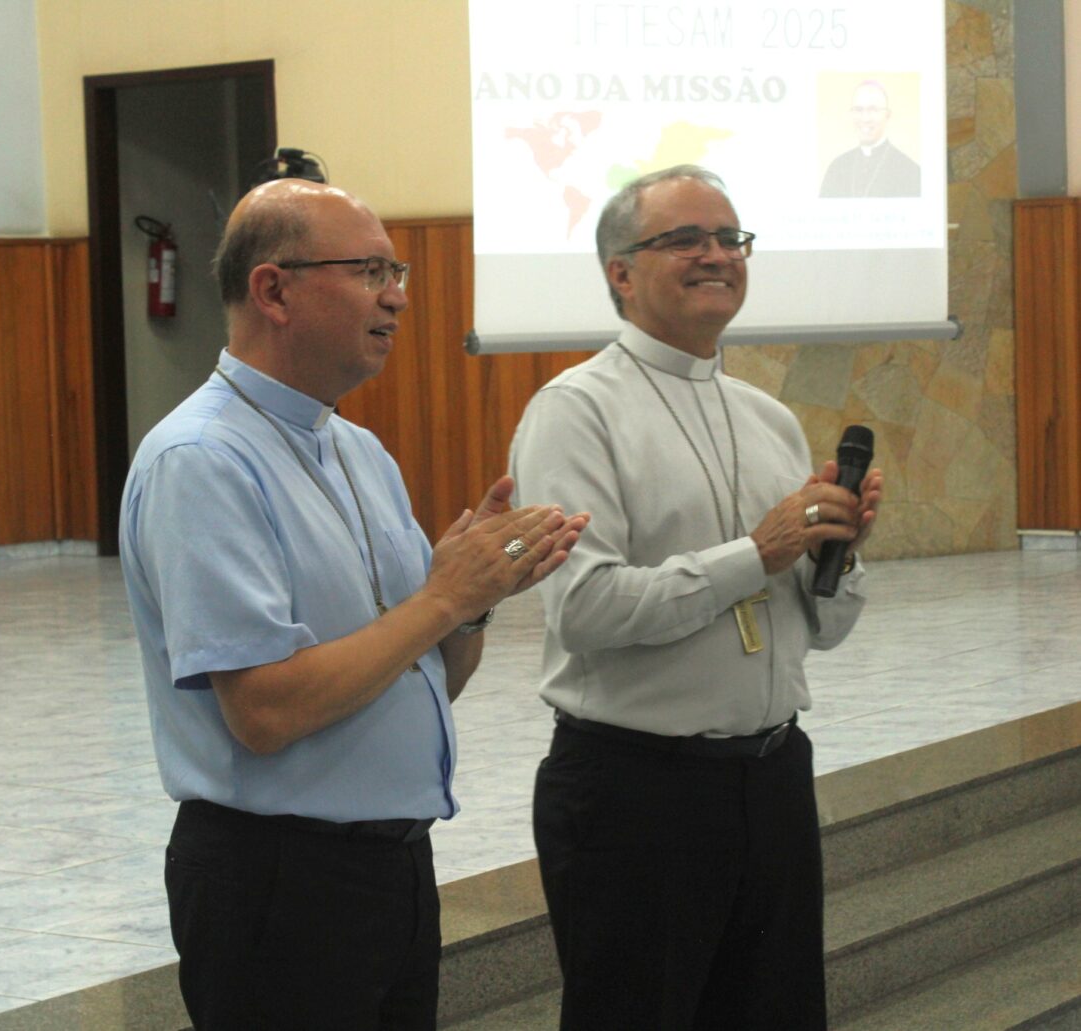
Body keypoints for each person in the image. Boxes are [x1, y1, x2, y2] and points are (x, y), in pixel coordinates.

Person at [119, 178, 587, 1030]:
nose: (397, 296)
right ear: (274, 290)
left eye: (396, 271)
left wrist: (474, 601)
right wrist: (442, 596)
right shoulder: (202, 458)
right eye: (370, 270)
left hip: (391, 867)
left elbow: (427, 679)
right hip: (278, 883)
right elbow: (265, 711)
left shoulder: (359, 450)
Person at [508, 164, 882, 1030]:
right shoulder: (575, 410)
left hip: (772, 778)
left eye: (729, 237)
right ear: (620, 272)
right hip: (639, 792)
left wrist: (837, 557)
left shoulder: (766, 417)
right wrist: (758, 553)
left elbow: (821, 630)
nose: (717, 254)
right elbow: (584, 610)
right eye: (685, 239)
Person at [819, 80, 921, 198]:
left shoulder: (910, 171)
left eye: (873, 110)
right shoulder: (837, 167)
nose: (865, 119)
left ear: (887, 115)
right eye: (858, 110)